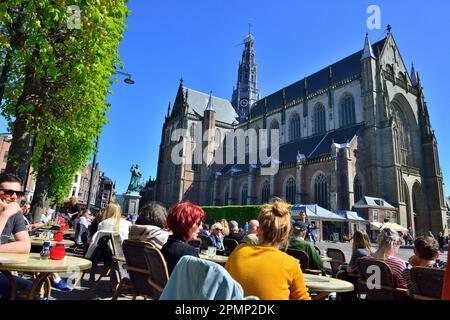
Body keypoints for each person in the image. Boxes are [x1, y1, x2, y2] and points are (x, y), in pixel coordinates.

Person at [225, 198, 311, 300]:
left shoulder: (239, 251)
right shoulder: (291, 264)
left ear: (259, 230)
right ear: (285, 236)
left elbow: (224, 285)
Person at [0, 173, 32, 298]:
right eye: (8, 192)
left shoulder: (14, 213)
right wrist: (4, 215)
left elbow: (25, 246)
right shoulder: (9, 212)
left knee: (30, 288)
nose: (14, 198)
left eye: (18, 194)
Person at [161, 200, 205, 274]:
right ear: (186, 224)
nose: (201, 227)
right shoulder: (188, 252)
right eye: (198, 223)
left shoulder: (167, 245)